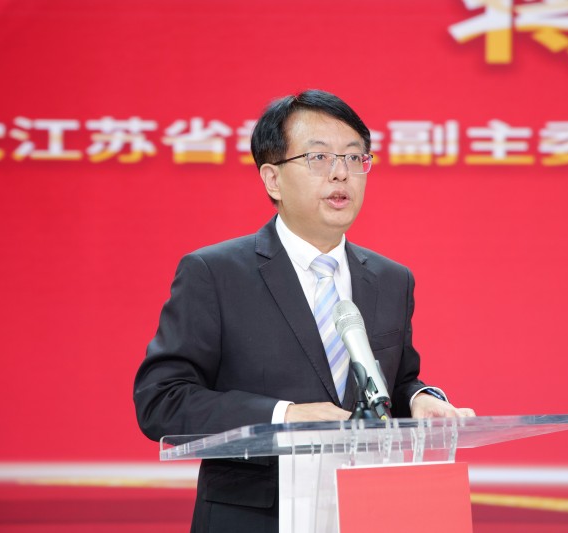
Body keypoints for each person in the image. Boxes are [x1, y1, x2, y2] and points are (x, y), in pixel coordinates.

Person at [134, 89, 475, 533]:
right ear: (272, 179)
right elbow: (162, 399)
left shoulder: (392, 279)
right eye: (319, 157)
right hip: (255, 517)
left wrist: (419, 399)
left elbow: (394, 381)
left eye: (354, 158)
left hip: (367, 512)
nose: (341, 173)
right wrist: (285, 415)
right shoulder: (215, 273)